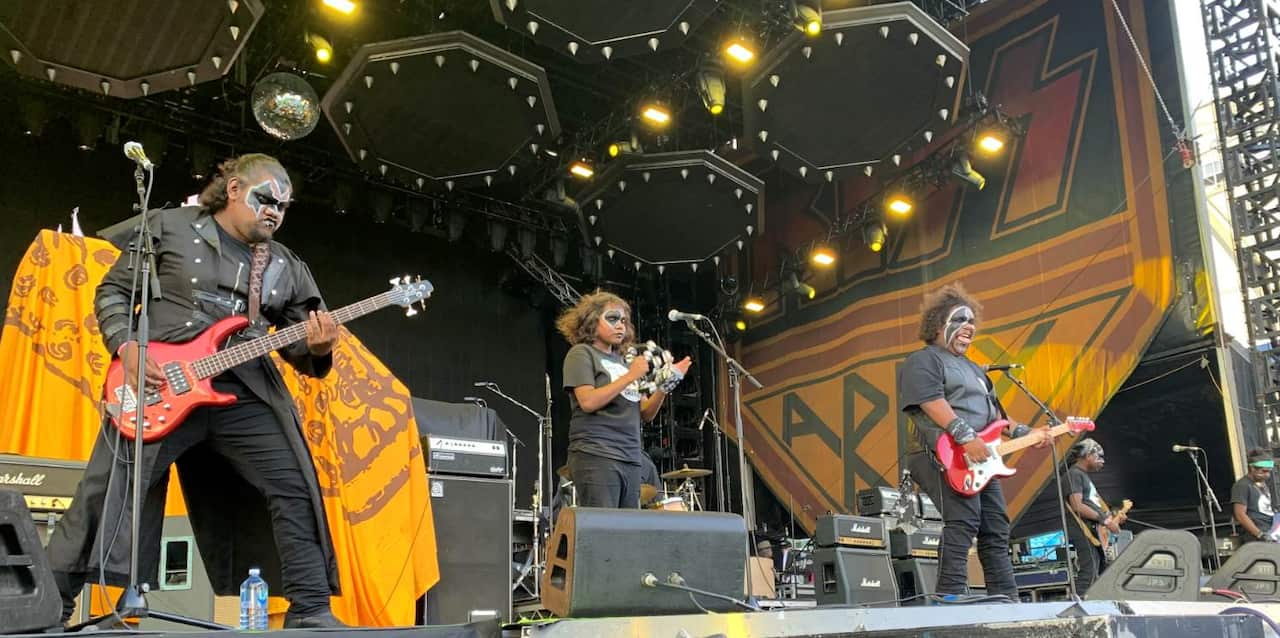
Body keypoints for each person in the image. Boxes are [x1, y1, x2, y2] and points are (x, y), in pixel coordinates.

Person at [45, 154, 346, 628]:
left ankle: (310, 610)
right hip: (160, 380)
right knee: (108, 490)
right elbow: (113, 293)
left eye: (284, 207)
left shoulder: (285, 265)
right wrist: (126, 346)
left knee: (295, 483)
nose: (274, 212)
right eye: (265, 199)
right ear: (233, 189)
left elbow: (304, 349)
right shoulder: (167, 227)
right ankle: (49, 605)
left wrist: (320, 347)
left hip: (243, 387)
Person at [898, 283, 1050, 600]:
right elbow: (929, 401)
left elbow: (997, 419)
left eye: (972, 322)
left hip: (980, 457)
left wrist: (1028, 434)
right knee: (964, 519)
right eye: (961, 320)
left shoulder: (975, 370)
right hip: (939, 450)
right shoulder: (924, 360)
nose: (969, 327)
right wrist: (965, 437)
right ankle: (950, 596)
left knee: (996, 526)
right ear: (939, 325)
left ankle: (1006, 599)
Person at [556, 292, 691, 508]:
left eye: (624, 321)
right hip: (597, 452)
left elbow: (645, 413)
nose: (620, 325)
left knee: (626, 530)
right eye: (612, 318)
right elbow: (588, 401)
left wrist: (666, 384)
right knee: (604, 529)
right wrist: (630, 376)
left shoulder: (625, 363)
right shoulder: (581, 354)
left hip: (630, 456)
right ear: (592, 321)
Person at [1063, 439, 1122, 592]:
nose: (1102, 461)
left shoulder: (1081, 475)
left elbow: (1090, 504)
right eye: (1099, 456)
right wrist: (1105, 520)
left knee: (1098, 569)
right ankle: (1082, 606)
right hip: (1083, 529)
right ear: (1088, 455)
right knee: (1090, 570)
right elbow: (1077, 506)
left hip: (1092, 530)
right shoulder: (1074, 474)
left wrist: (1111, 517)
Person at [1231, 448, 1276, 543]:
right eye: (1264, 471)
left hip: (1271, 530)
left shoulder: (1262, 483)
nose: (1267, 475)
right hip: (1258, 536)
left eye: (1269, 471)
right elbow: (1240, 514)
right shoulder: (1242, 485)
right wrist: (1259, 534)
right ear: (1252, 468)